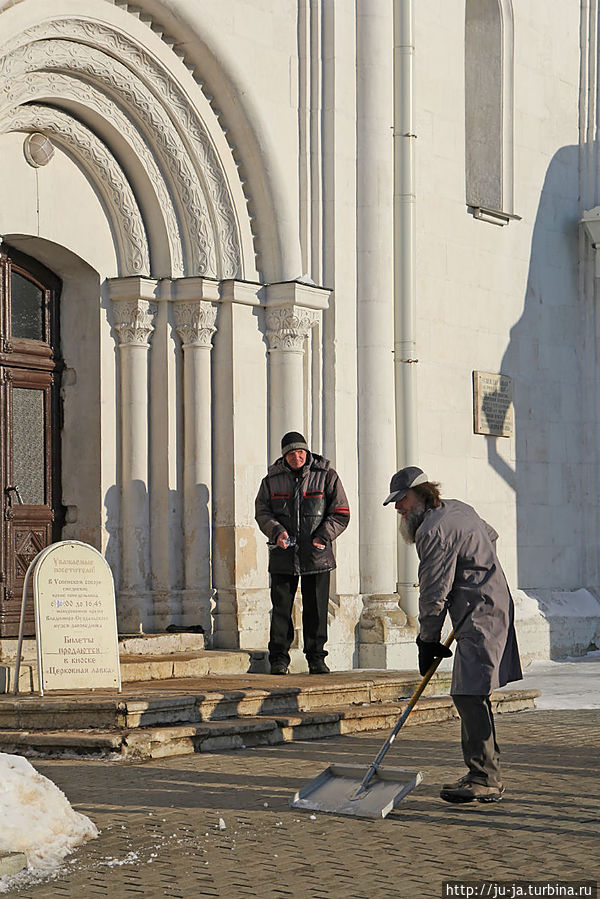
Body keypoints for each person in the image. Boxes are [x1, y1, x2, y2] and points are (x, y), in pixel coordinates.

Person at [384, 466, 522, 804]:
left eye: (402, 500)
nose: (399, 508)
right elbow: (490, 536)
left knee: (469, 692)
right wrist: (478, 572)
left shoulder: (433, 530)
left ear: (422, 494)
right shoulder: (458, 509)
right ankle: (484, 772)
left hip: (481, 612)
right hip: (488, 603)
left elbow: (434, 591)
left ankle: (485, 778)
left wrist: (427, 640)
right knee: (471, 691)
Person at [255, 431, 350, 675]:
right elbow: (263, 511)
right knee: (281, 609)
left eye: (300, 452)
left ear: (307, 453)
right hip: (283, 553)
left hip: (316, 553)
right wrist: (276, 532)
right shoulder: (271, 479)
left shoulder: (326, 475)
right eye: (291, 454)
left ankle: (316, 658)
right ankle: (278, 659)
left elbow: (340, 511)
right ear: (284, 456)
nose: (296, 457)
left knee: (316, 608)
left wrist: (323, 536)